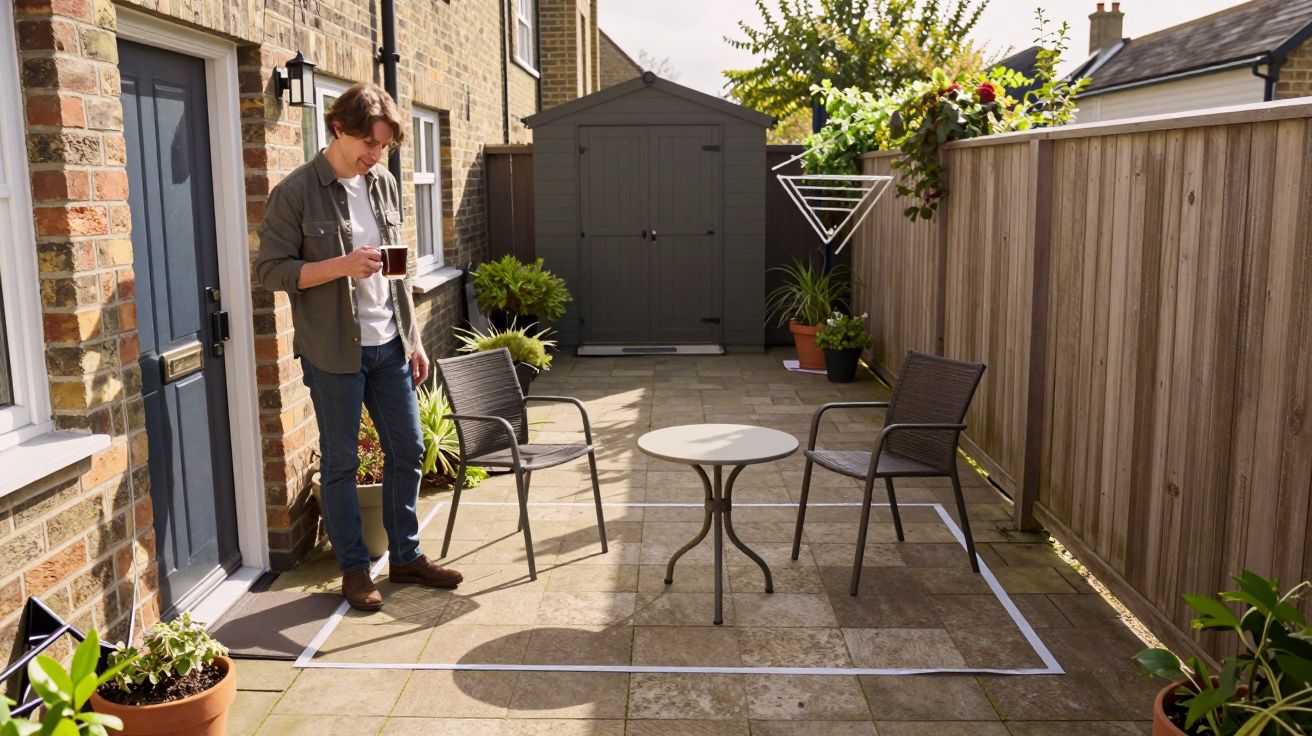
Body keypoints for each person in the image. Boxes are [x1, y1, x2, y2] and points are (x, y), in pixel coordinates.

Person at [255, 82, 462, 611]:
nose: (375, 156)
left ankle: (407, 556)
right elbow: (271, 272)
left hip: (390, 343)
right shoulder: (296, 192)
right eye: (369, 145)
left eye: (385, 148)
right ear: (338, 129)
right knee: (343, 463)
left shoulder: (384, 185)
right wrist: (341, 266)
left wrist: (413, 338)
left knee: (409, 449)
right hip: (333, 353)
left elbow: (395, 271)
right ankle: (353, 568)